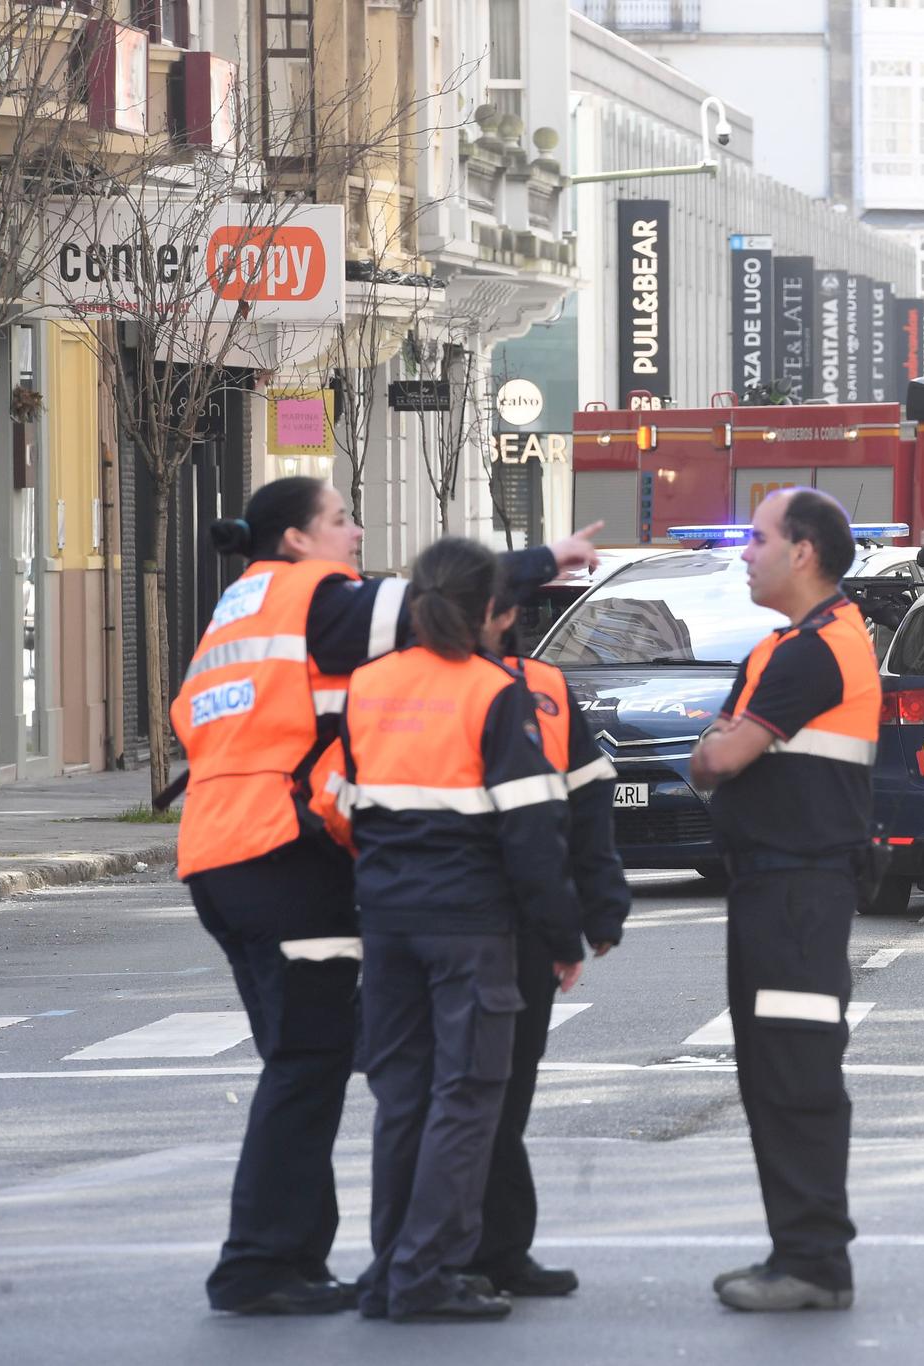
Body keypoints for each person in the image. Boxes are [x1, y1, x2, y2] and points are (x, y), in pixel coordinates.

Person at [170, 476, 596, 1316]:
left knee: (307, 1061)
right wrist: (550, 557)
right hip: (281, 853)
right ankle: (262, 1264)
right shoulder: (315, 597)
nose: (356, 533)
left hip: (219, 851)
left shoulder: (240, 606)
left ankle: (289, 1257)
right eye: (340, 519)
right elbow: (438, 598)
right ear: (295, 538)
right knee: (307, 1065)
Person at [337, 538, 586, 1323]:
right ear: (488, 610)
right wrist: (559, 936)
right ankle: (424, 1275)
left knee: (402, 1101)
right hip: (469, 923)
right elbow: (530, 832)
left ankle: (389, 1271)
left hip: (388, 920)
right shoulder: (492, 691)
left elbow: (342, 800)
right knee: (469, 1098)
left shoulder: (368, 685)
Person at [690, 488, 880, 1313]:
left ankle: (813, 1262)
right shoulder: (799, 642)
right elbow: (722, 744)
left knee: (795, 1073)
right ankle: (798, 1253)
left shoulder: (812, 649)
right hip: (779, 884)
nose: (744, 553)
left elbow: (720, 757)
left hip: (798, 887)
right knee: (773, 1072)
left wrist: (715, 747)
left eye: (758, 539)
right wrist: (719, 744)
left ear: (802, 552)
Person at [465, 637, 634, 1299]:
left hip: (468, 921)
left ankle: (488, 1249)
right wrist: (588, 918)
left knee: (486, 1095)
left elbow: (585, 804)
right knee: (473, 1096)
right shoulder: (411, 682)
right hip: (481, 921)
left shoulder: (543, 688)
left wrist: (597, 912)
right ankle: (465, 1251)